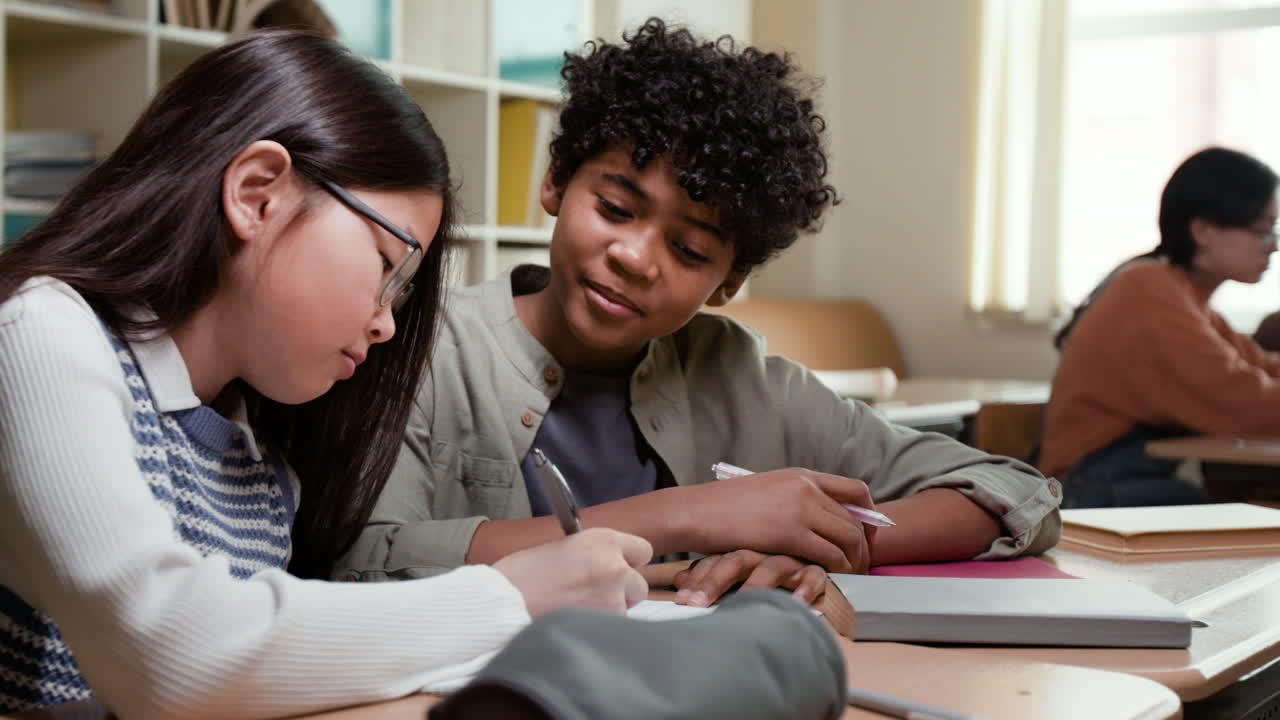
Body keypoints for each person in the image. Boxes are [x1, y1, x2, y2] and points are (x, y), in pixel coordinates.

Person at [0, 30, 655, 718]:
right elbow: (167, 656)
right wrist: (510, 597)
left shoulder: (262, 467)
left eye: (403, 291)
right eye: (386, 266)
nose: (386, 323)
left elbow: (262, 667)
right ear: (258, 194)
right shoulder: (42, 333)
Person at [337, 19, 1062, 607]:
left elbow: (1014, 491)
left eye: (688, 249)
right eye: (616, 208)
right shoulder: (420, 347)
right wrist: (691, 516)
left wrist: (812, 540)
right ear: (555, 180)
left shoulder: (739, 373)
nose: (637, 258)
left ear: (728, 281)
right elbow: (359, 561)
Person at [1040, 146, 1280, 508]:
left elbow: (1258, 366)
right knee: (1240, 519)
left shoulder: (1185, 295)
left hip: (1113, 478)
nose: (1274, 245)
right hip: (1082, 489)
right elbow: (1245, 403)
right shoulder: (1149, 292)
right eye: (1263, 229)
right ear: (1204, 230)